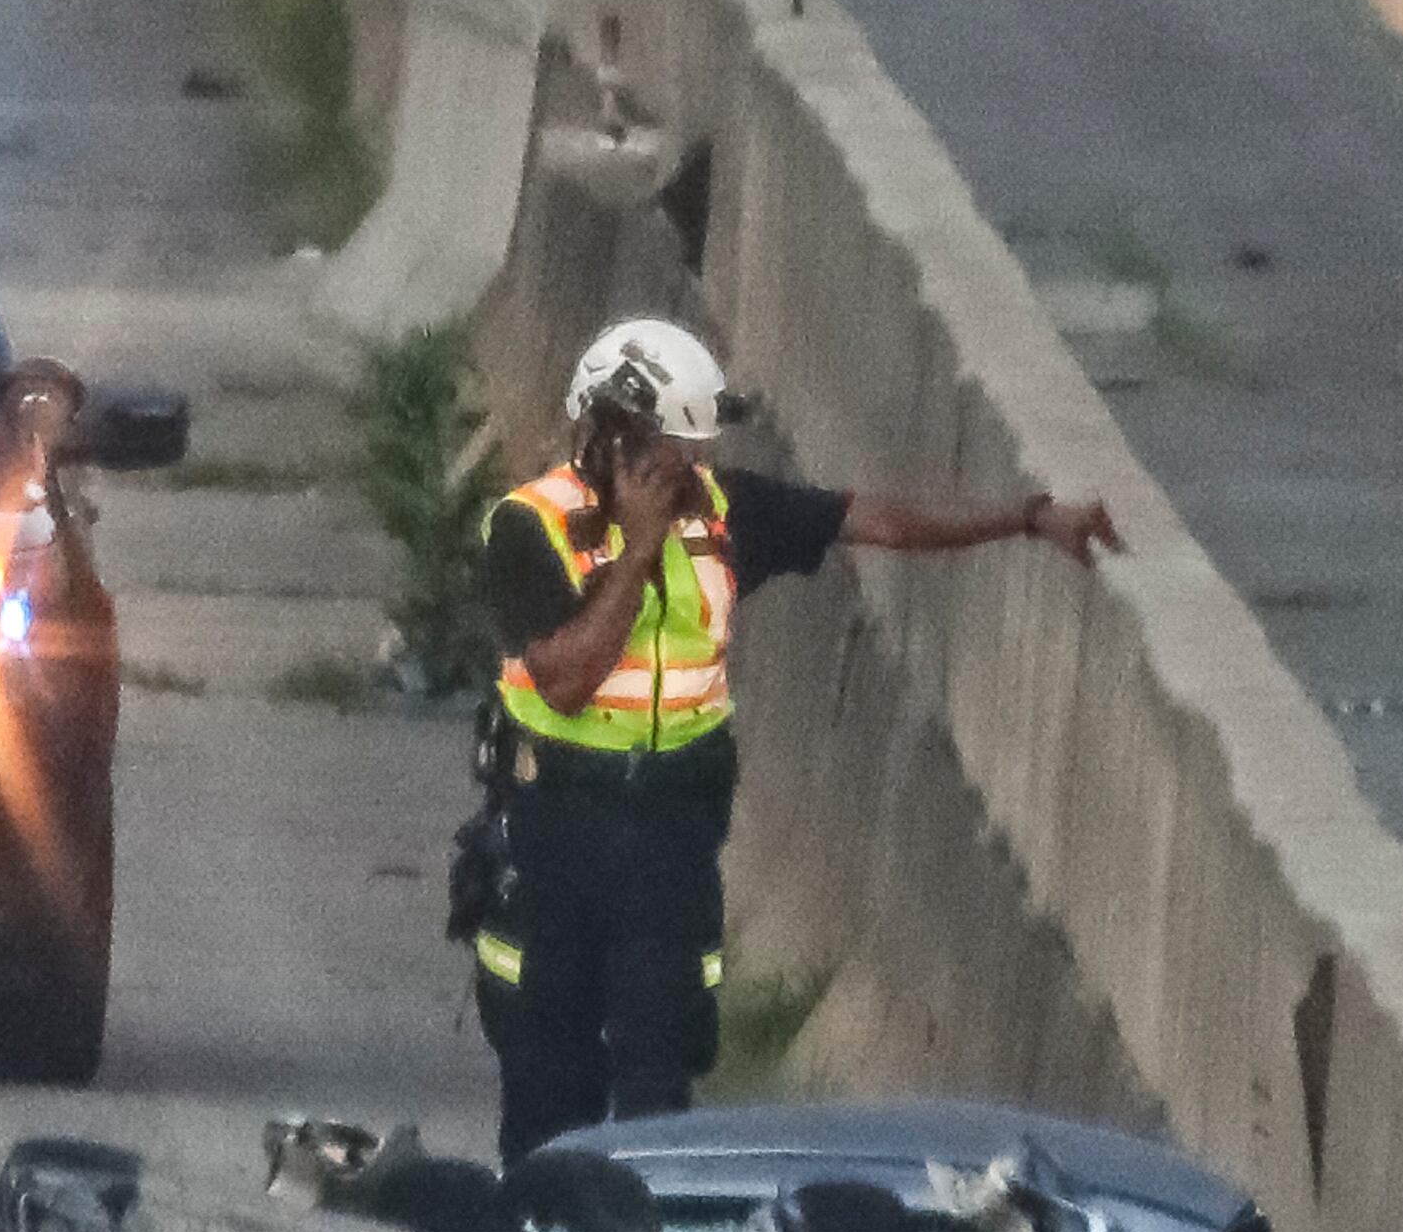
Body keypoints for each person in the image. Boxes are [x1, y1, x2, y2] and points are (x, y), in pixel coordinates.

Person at [467, 315, 1121, 1161]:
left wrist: (1028, 520)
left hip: (671, 838)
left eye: (696, 451)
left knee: (660, 1093)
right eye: (672, 450)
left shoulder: (722, 514)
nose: (691, 469)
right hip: (557, 832)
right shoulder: (532, 527)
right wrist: (638, 546)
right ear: (611, 433)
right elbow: (564, 676)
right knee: (550, 1091)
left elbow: (871, 521)